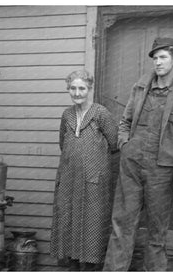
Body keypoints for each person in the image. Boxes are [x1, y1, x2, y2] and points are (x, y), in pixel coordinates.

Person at [103, 37, 173, 271]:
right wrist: (125, 145)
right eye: (155, 58)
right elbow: (125, 122)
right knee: (121, 225)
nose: (158, 62)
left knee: (157, 230)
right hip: (132, 165)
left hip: (162, 170)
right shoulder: (140, 88)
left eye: (163, 57)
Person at [50, 70, 118, 271]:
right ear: (68, 89)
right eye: (73, 88)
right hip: (69, 178)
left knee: (92, 222)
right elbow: (64, 144)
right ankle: (71, 265)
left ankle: (90, 268)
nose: (77, 92)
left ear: (89, 89)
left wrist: (94, 164)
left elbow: (114, 143)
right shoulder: (67, 115)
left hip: (94, 179)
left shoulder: (101, 113)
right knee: (68, 219)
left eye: (81, 88)